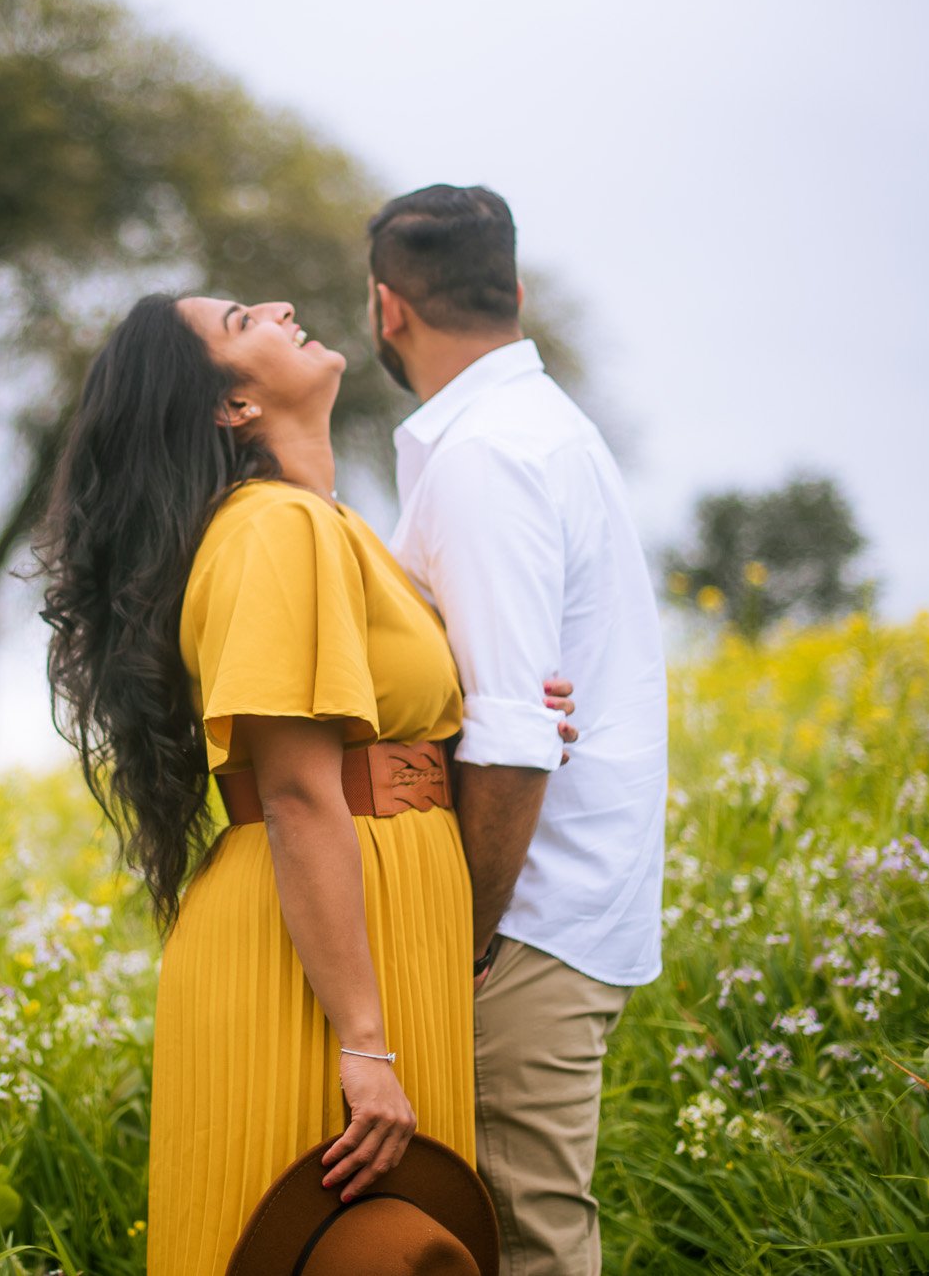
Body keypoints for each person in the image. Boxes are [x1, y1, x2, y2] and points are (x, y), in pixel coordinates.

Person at [37, 291, 577, 1275]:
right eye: (243, 318)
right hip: (314, 966)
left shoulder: (335, 527)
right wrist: (362, 1042)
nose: (281, 304)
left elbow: (391, 730)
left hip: (381, 923)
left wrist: (504, 724)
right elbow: (293, 793)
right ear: (228, 407)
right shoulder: (272, 528)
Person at [369, 184, 669, 1276]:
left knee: (528, 1242)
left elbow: (512, 733)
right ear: (515, 291)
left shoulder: (488, 453)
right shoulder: (538, 431)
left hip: (520, 918)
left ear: (384, 308)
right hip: (548, 905)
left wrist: (459, 944)